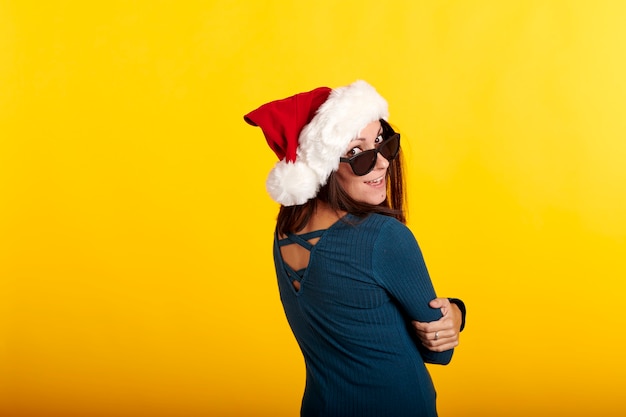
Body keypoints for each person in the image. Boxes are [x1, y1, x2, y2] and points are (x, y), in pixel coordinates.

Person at [244, 80, 466, 417]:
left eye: (382, 142)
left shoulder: (285, 232)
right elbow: (439, 351)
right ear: (323, 165)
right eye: (356, 153)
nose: (381, 163)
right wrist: (457, 312)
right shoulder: (383, 237)